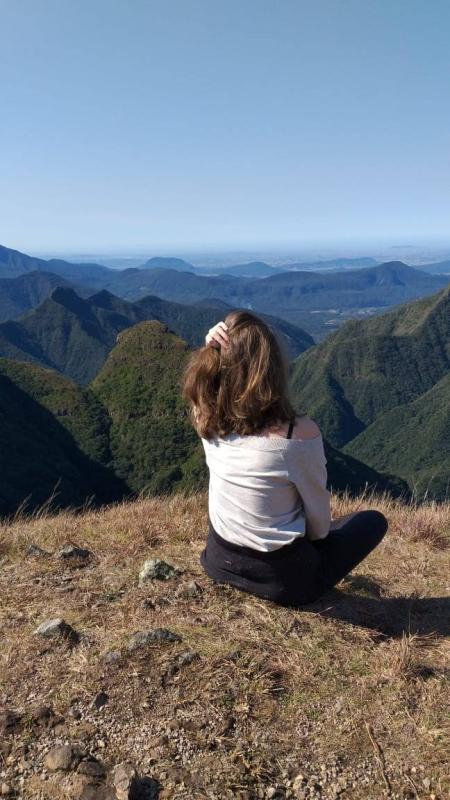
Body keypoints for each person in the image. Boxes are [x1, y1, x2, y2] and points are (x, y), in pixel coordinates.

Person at [181, 310, 388, 607]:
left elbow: (201, 388)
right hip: (284, 583)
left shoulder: (207, 420)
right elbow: (319, 528)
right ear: (272, 370)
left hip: (218, 561)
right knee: (371, 521)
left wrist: (209, 347)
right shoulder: (295, 435)